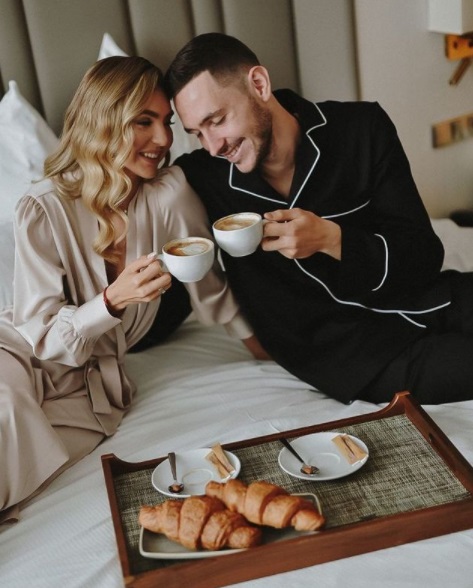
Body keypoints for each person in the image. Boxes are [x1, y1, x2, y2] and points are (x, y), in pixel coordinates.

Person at [0, 55, 261, 522]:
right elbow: (42, 337)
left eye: (166, 122)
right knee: (6, 413)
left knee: (27, 472)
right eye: (144, 121)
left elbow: (211, 290)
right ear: (102, 120)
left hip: (93, 394)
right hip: (17, 353)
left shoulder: (168, 196)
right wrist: (110, 301)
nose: (163, 140)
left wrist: (270, 351)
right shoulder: (42, 209)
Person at [165, 32, 473, 406]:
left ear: (259, 85)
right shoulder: (199, 178)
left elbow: (423, 255)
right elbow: (141, 199)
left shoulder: (362, 128)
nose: (213, 146)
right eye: (196, 133)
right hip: (348, 351)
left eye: (216, 120)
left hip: (429, 294)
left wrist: (333, 240)